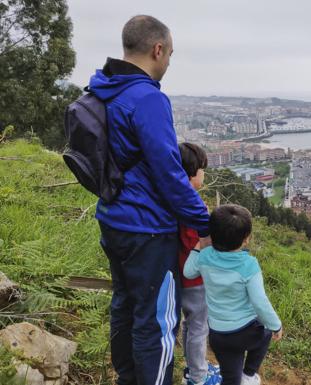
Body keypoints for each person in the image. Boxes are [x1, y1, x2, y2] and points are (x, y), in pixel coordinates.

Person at [89, 15, 211, 385]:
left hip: (112, 218)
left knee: (124, 305)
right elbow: (170, 174)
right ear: (158, 49)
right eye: (170, 55)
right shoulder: (148, 98)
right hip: (149, 230)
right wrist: (204, 225)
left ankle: (127, 378)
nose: (169, 63)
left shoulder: (103, 88)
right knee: (156, 319)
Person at [183, 205, 283, 385]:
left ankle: (238, 379)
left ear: (212, 234)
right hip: (247, 331)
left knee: (230, 378)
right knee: (266, 331)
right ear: (246, 239)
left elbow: (188, 273)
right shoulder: (249, 265)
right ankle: (249, 375)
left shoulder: (204, 257)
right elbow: (260, 302)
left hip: (219, 335)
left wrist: (198, 247)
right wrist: (276, 325)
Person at [177, 143, 222, 385]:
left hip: (180, 273)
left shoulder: (174, 196)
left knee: (191, 324)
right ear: (192, 172)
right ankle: (198, 377)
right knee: (198, 326)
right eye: (203, 170)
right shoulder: (191, 204)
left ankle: (195, 368)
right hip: (194, 277)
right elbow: (199, 242)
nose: (204, 174)